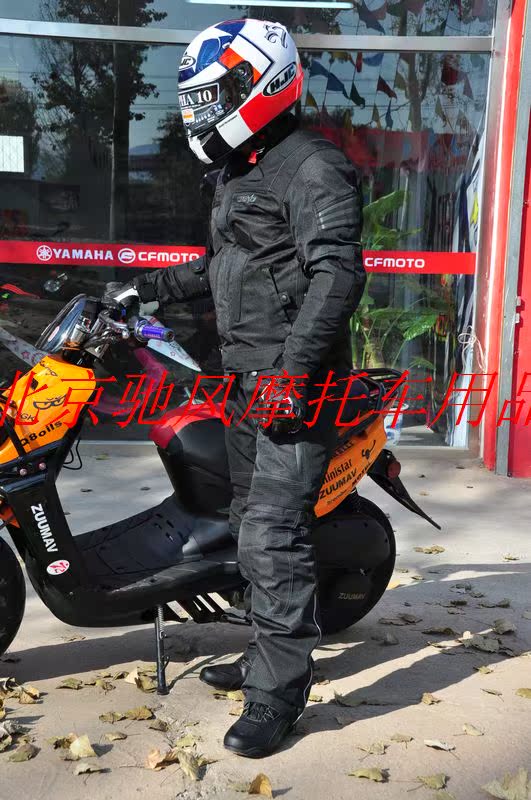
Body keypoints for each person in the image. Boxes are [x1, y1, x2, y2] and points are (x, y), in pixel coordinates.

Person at [106, 18, 365, 758]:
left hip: (296, 387)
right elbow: (224, 263)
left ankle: (277, 695)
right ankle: (262, 656)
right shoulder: (238, 170)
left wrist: (291, 376)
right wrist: (147, 290)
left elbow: (337, 275)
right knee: (247, 523)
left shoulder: (312, 167)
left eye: (212, 96)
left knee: (273, 537)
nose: (202, 113)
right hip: (245, 383)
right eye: (197, 100)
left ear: (262, 82)